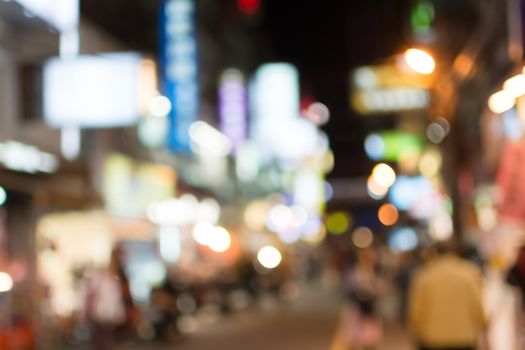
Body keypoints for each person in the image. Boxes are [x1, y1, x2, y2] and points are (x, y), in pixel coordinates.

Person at [408, 241, 489, 350]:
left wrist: (416, 333)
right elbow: (477, 304)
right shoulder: (469, 274)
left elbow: (416, 311)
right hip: (464, 337)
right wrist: (484, 325)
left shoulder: (424, 276)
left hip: (432, 338)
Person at [340, 247, 383, 350]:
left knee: (370, 338)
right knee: (355, 337)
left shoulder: (375, 272)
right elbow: (347, 288)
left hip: (370, 309)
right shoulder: (354, 271)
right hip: (357, 308)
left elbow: (380, 289)